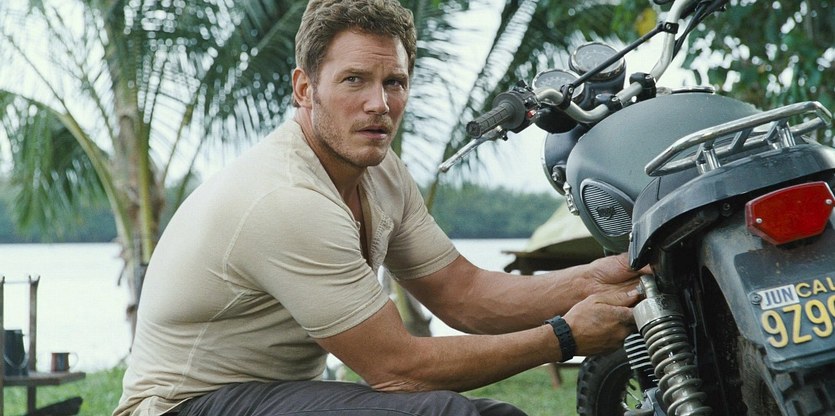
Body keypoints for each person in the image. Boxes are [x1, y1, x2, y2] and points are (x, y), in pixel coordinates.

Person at [113, 1, 644, 415]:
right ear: (304, 88)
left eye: (394, 82)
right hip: (181, 405)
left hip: (274, 394)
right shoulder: (286, 198)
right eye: (354, 80)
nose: (379, 104)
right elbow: (399, 369)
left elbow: (464, 294)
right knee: (445, 413)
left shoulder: (379, 170)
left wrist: (598, 278)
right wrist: (564, 336)